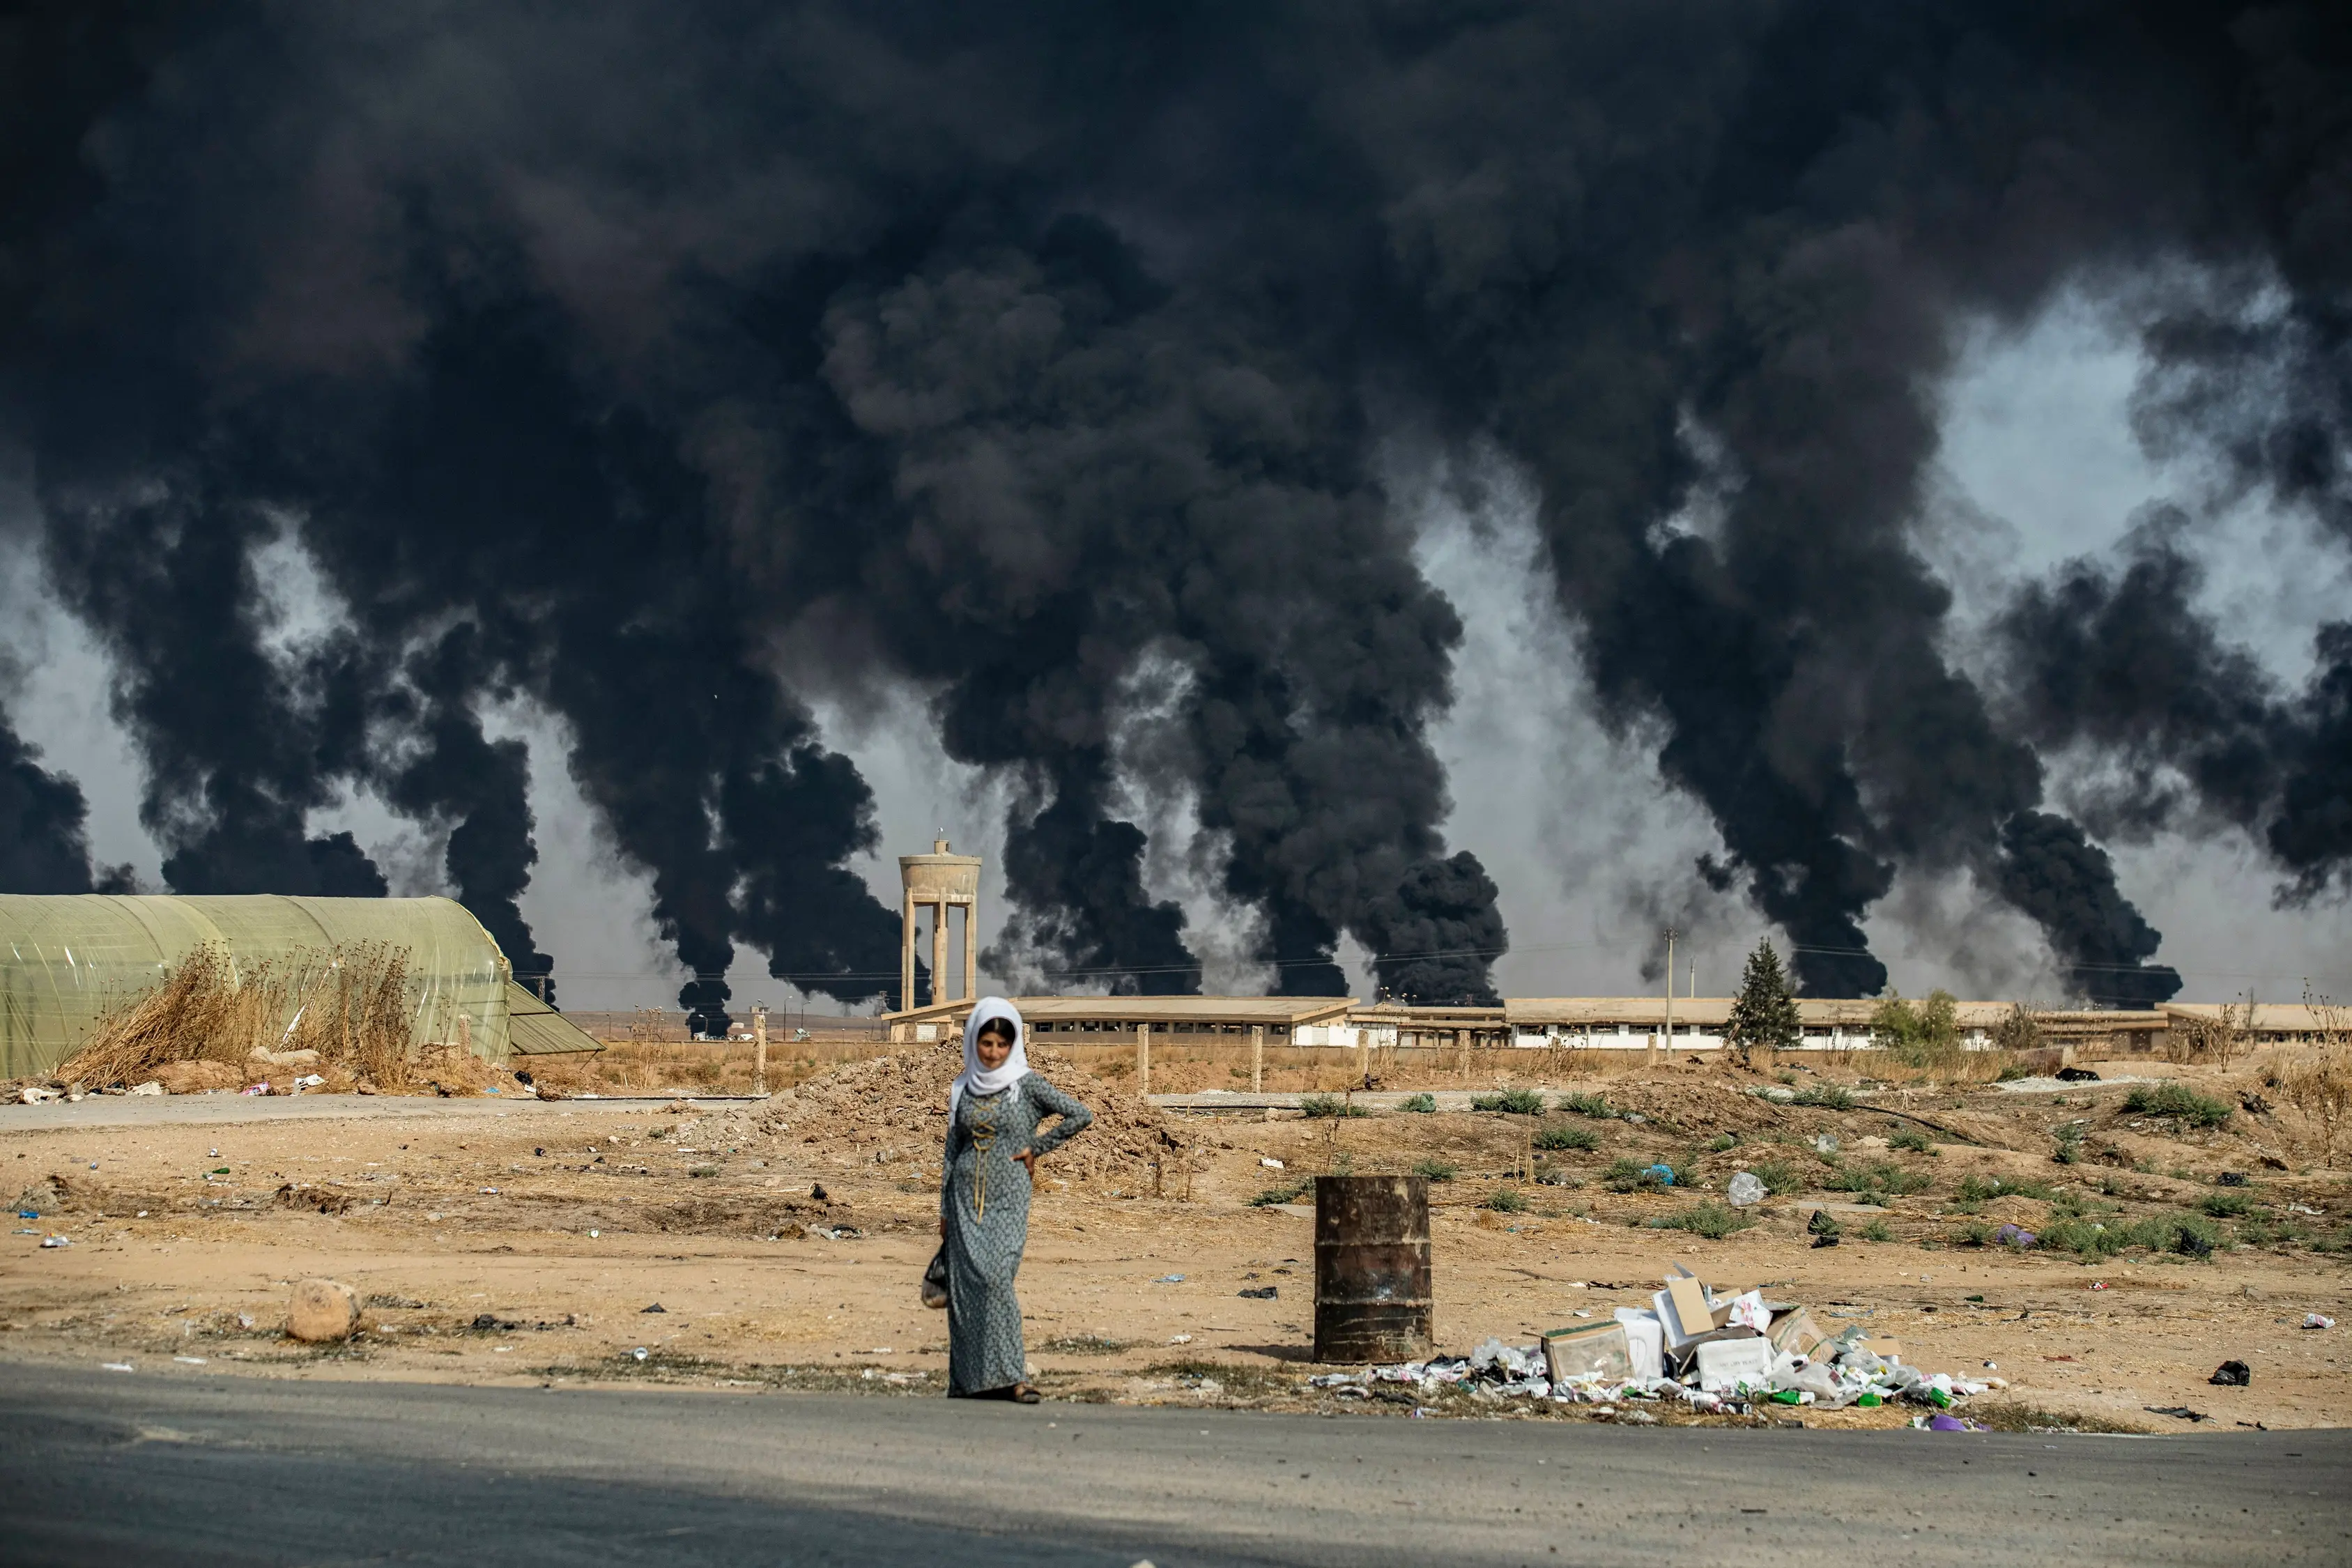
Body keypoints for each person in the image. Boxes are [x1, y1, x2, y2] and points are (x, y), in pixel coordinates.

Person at [937, 997, 1092, 1402]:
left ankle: (1013, 1377)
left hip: (1009, 1198)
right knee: (966, 1287)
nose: (993, 1053)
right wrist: (943, 1211)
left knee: (996, 1280)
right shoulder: (962, 1088)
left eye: (1001, 1045)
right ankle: (970, 1382)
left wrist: (1037, 1148)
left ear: (1013, 1045)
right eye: (985, 1043)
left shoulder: (1027, 1084)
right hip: (963, 1201)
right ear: (974, 1042)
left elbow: (1080, 1114)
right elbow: (952, 1150)